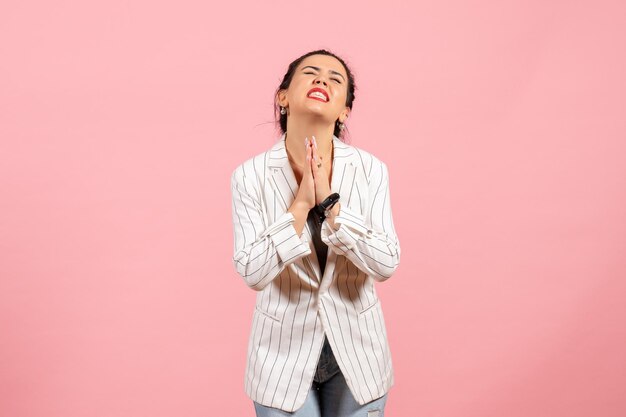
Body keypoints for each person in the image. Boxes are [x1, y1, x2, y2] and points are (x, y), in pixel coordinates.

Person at [230, 49, 401, 417]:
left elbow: (386, 262)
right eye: (310, 73)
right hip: (280, 359)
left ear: (345, 112)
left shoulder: (371, 171)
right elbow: (252, 271)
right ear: (283, 97)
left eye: (335, 79)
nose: (322, 80)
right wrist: (298, 207)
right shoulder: (249, 176)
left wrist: (331, 206)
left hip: (358, 356)